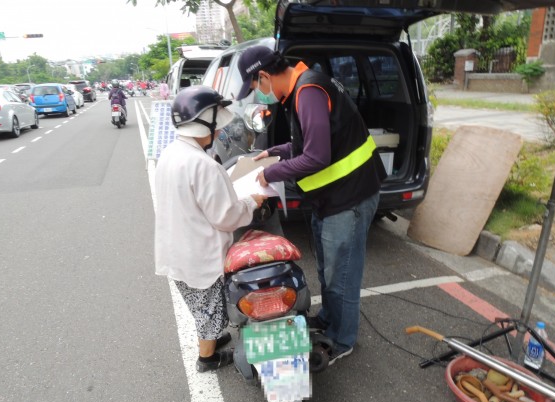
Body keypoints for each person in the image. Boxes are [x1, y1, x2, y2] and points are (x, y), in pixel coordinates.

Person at [236, 46, 387, 365]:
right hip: (331, 198)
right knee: (328, 268)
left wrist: (269, 173)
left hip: (351, 197)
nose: (260, 95)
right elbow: (307, 143)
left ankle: (342, 339)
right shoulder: (300, 91)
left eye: (256, 87)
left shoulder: (309, 91)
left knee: (341, 274)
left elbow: (317, 156)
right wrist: (275, 151)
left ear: (264, 75)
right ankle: (329, 320)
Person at [154, 85, 267, 373]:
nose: (219, 132)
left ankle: (213, 340)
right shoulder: (203, 164)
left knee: (200, 307)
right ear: (205, 122)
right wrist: (252, 202)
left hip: (178, 248)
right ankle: (208, 358)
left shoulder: (170, 153)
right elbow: (226, 217)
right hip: (198, 254)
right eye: (217, 125)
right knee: (208, 311)